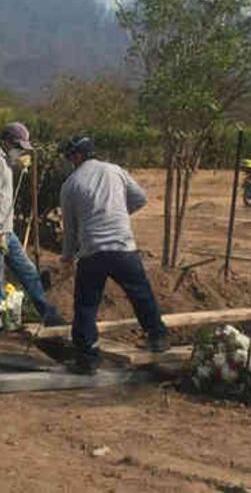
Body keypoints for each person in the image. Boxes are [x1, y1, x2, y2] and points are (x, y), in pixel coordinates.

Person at [58, 136, 168, 374]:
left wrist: (67, 258)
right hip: (123, 248)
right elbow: (140, 197)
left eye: (69, 157)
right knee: (140, 293)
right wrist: (118, 213)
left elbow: (70, 228)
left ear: (76, 156)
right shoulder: (115, 171)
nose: (68, 162)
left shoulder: (70, 184)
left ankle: (87, 359)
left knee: (86, 305)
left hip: (92, 253)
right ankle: (157, 337)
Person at [0, 121, 66, 335]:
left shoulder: (4, 159)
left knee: (28, 271)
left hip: (6, 230)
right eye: (19, 147)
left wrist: (20, 165)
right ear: (8, 142)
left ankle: (50, 316)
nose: (21, 151)